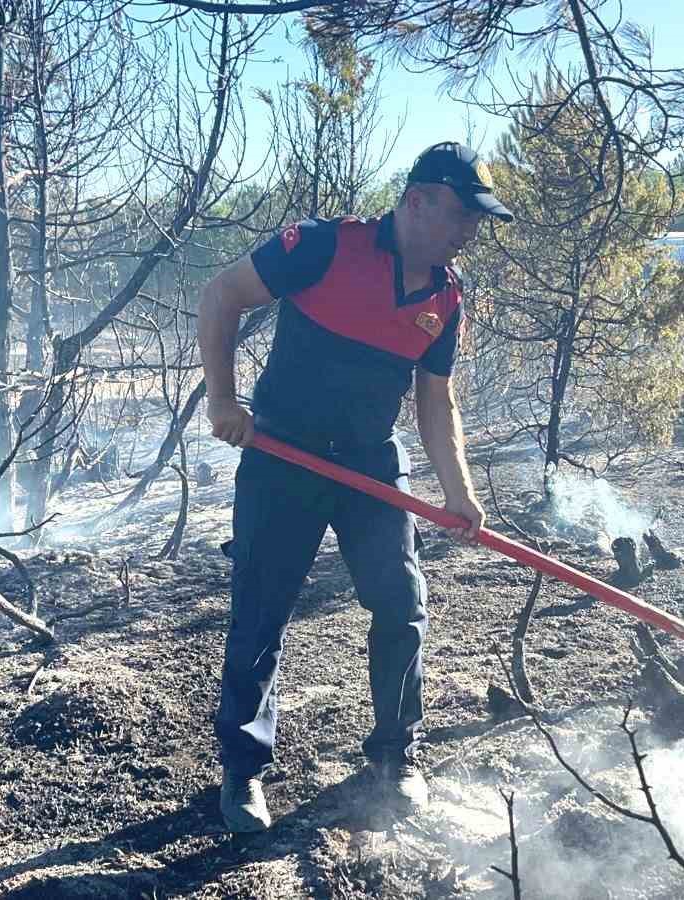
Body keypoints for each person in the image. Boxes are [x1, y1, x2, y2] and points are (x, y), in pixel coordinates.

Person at [196, 142, 511, 833]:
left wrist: (458, 491)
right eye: (462, 215)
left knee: (402, 604)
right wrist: (222, 401)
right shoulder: (321, 247)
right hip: (284, 453)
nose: (469, 233)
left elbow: (435, 401)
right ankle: (243, 769)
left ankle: (396, 757)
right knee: (262, 609)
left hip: (370, 463)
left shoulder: (445, 298)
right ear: (419, 200)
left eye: (477, 222)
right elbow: (221, 294)